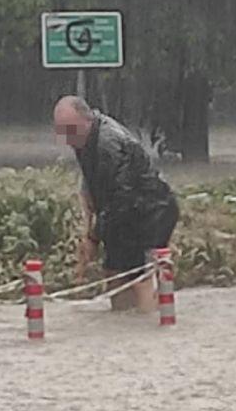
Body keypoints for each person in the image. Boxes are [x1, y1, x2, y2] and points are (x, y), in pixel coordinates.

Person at [52, 95, 179, 312]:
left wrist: (94, 237)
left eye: (70, 130)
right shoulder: (84, 137)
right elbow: (93, 187)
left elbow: (119, 198)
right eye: (62, 132)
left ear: (87, 119)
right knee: (114, 273)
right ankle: (122, 324)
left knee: (137, 277)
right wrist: (89, 226)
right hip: (124, 213)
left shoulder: (106, 144)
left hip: (150, 212)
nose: (66, 138)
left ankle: (151, 324)